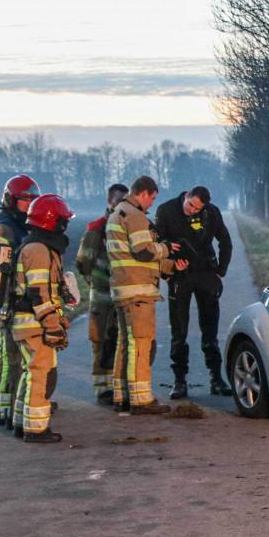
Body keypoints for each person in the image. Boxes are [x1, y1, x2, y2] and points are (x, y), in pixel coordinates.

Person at [107, 176, 186, 414]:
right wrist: (166, 248)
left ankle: (121, 396)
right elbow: (143, 252)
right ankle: (141, 400)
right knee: (141, 345)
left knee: (125, 344)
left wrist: (171, 267)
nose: (151, 203)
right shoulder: (135, 215)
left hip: (122, 290)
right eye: (152, 198)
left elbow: (130, 257)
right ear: (144, 193)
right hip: (138, 292)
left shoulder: (117, 213)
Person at [154, 185, 233, 399]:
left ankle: (216, 378)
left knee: (210, 330)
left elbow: (225, 241)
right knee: (179, 331)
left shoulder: (212, 212)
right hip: (180, 276)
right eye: (191, 205)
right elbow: (155, 245)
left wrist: (221, 270)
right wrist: (169, 262)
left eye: (198, 209)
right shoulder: (166, 211)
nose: (193, 210)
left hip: (206, 274)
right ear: (186, 195)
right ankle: (179, 381)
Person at [10, 194, 74, 443]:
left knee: (30, 373)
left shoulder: (36, 245)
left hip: (27, 324)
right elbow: (39, 294)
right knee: (41, 374)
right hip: (34, 325)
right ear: (53, 221)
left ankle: (20, 422)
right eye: (63, 220)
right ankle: (36, 429)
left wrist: (59, 321)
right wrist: (52, 327)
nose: (65, 225)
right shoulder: (38, 250)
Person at [0, 174, 40, 429]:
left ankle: (16, 404)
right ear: (11, 201)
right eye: (24, 201)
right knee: (10, 358)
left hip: (19, 303)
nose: (29, 206)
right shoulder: (4, 229)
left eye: (32, 201)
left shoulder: (21, 226)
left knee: (18, 360)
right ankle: (5, 408)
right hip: (7, 305)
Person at [75, 183, 129, 405]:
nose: (122, 206)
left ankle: (118, 386)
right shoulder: (97, 228)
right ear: (109, 202)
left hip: (121, 295)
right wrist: (94, 282)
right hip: (102, 296)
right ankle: (102, 388)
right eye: (119, 201)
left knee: (120, 341)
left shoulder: (127, 225)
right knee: (100, 341)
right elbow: (83, 261)